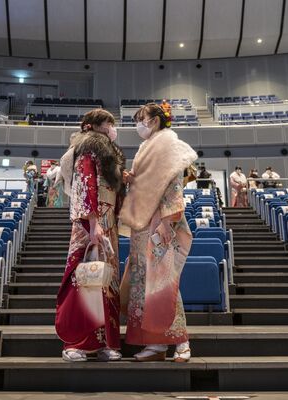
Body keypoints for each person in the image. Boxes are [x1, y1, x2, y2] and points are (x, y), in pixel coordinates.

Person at [119, 103, 197, 362]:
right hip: (142, 222)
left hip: (160, 220)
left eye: (141, 119)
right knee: (143, 283)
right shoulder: (147, 146)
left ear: (154, 120)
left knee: (163, 281)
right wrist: (132, 179)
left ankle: (181, 342)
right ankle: (155, 343)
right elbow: (148, 181)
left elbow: (173, 183)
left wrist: (167, 220)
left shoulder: (167, 143)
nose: (138, 124)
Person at [55, 109, 126, 362]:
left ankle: (106, 341)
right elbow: (86, 185)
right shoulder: (89, 148)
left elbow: (110, 188)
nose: (111, 127)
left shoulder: (107, 151)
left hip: (107, 221)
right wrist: (94, 223)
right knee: (84, 278)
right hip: (91, 221)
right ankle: (76, 343)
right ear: (94, 126)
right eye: (108, 122)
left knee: (106, 280)